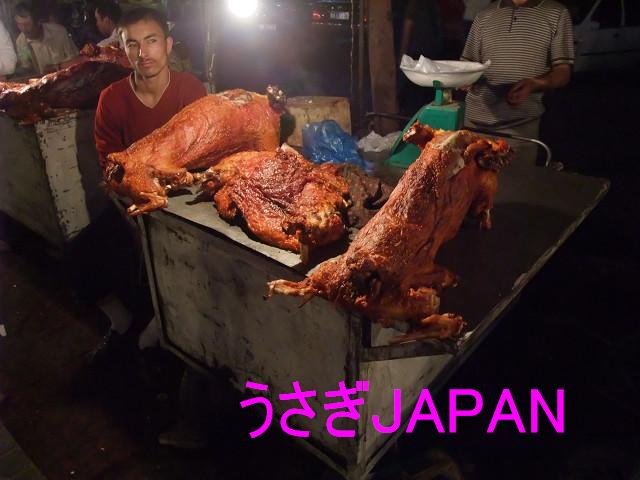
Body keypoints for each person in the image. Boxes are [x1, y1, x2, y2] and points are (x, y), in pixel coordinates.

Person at [92, 6, 208, 448]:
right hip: (134, 203)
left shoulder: (190, 89)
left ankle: (163, 343)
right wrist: (134, 209)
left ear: (169, 45)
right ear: (122, 51)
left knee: (183, 282)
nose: (144, 53)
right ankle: (126, 326)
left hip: (187, 203)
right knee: (85, 254)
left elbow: (205, 151)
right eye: (133, 44)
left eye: (152, 41)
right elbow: (112, 168)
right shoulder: (112, 100)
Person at [460, 0, 574, 167]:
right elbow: (468, 64)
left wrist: (534, 83)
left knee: (515, 182)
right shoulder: (485, 14)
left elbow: (563, 71)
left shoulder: (556, 13)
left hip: (519, 131)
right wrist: (463, 78)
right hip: (473, 126)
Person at [14, 2, 79, 75]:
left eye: (27, 24)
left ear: (39, 22)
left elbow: (76, 60)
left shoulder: (59, 33)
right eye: (19, 24)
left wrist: (57, 67)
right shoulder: (21, 42)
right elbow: (26, 66)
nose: (23, 29)